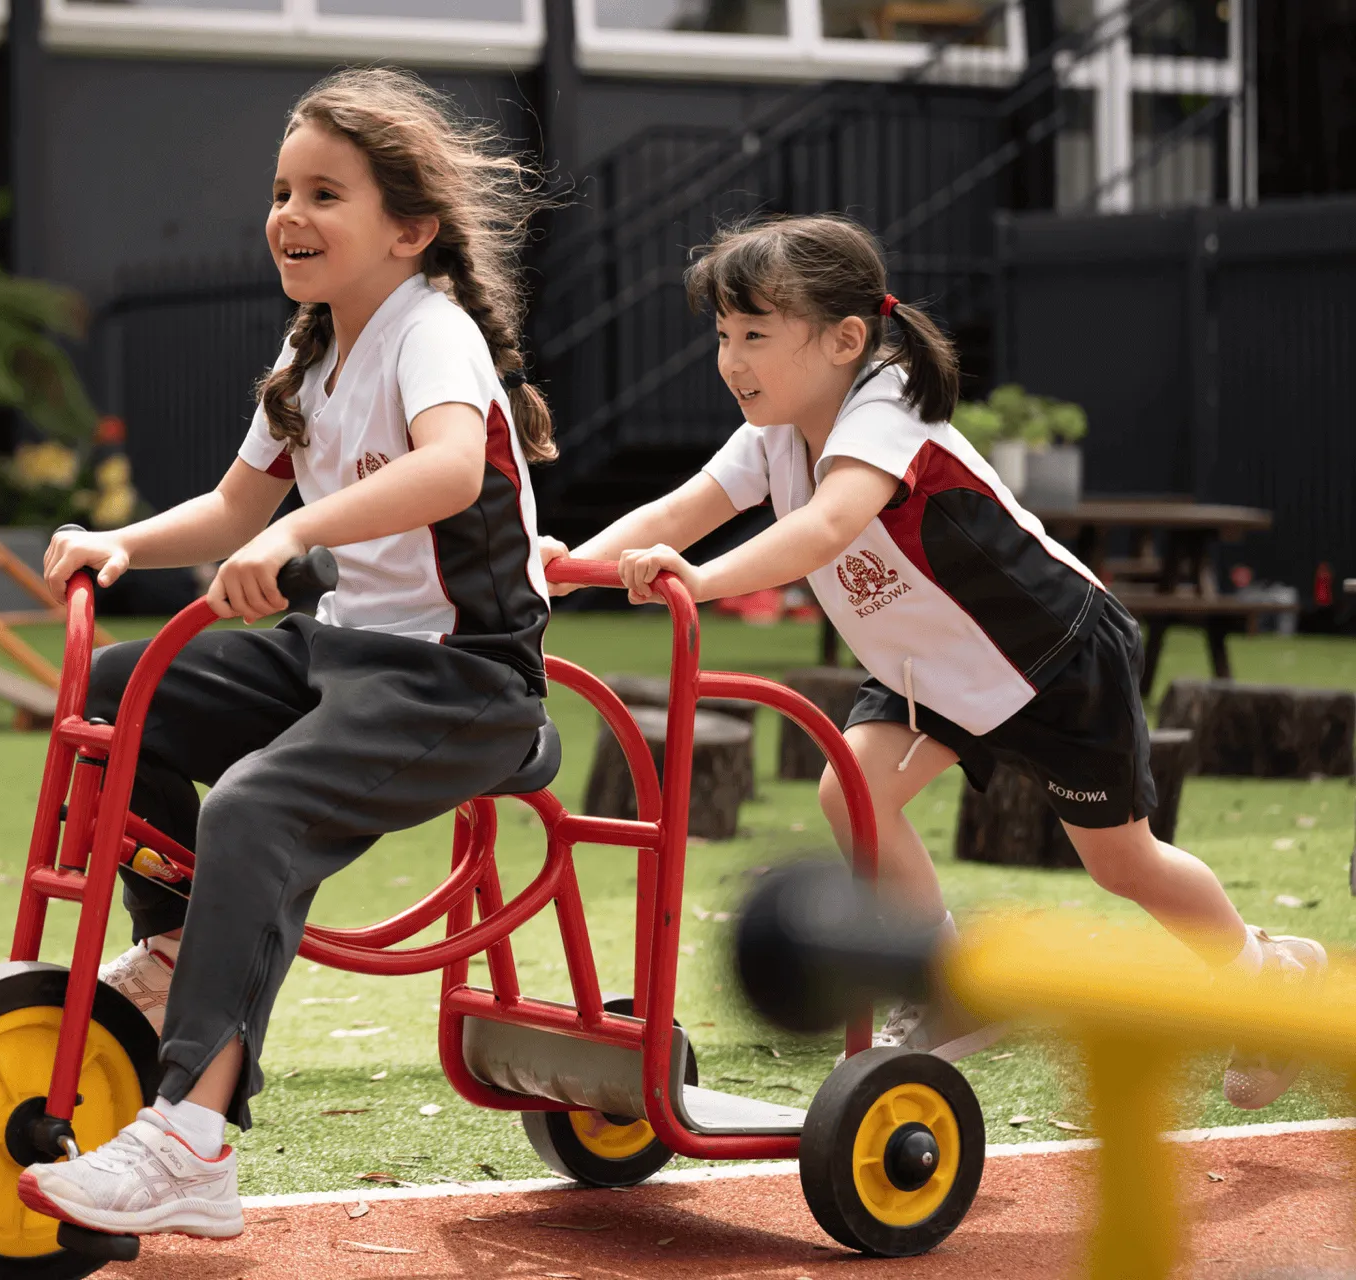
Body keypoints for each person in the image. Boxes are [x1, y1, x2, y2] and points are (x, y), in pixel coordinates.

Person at [542, 213, 1324, 1110]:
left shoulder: (889, 405)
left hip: (1051, 654)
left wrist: (701, 579)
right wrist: (561, 569)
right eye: (723, 334)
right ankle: (948, 985)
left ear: (844, 339)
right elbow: (679, 510)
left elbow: (827, 526)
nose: (731, 358)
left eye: (755, 334)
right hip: (931, 674)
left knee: (1123, 864)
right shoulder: (772, 434)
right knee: (854, 794)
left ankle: (1265, 975)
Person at [19, 68, 555, 1238]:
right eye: (280, 190)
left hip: (466, 680)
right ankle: (171, 944)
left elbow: (453, 469)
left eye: (326, 193)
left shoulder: (432, 332)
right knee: (120, 695)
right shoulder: (311, 351)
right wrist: (119, 540)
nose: (289, 216)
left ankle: (191, 1142)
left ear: (408, 231)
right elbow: (225, 509)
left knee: (254, 809)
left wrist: (304, 529)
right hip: (345, 651)